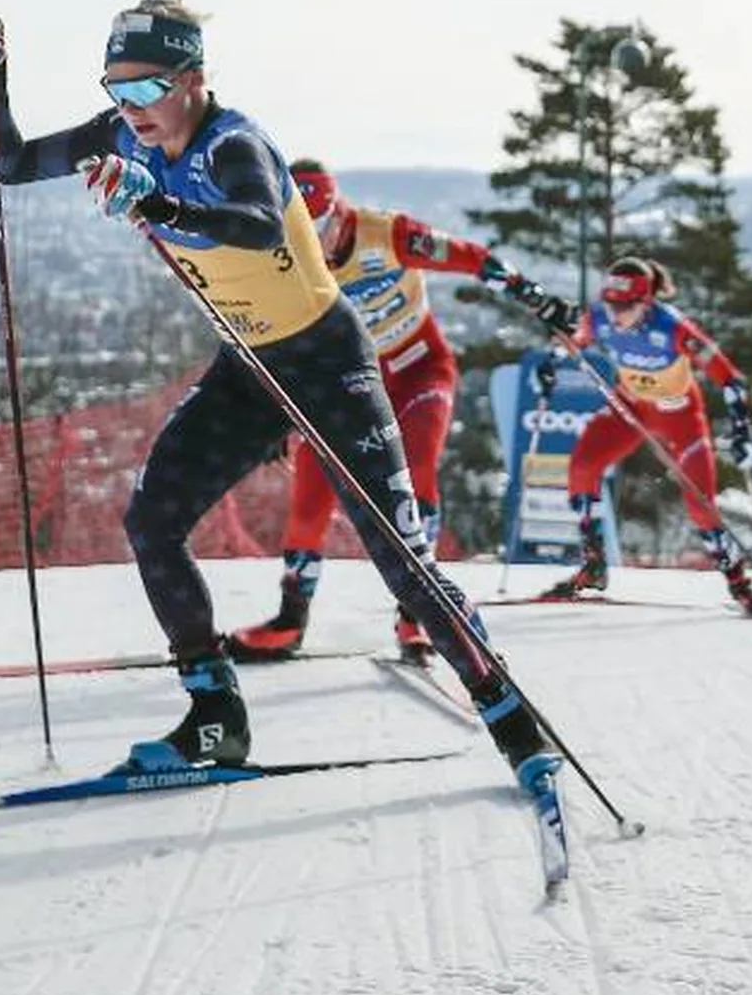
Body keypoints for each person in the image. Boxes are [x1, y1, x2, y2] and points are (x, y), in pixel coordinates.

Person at [0, 0, 558, 800]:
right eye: (115, 88)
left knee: (399, 560)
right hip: (250, 365)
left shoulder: (236, 142)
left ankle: (513, 721)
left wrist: (156, 199)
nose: (129, 105)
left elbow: (256, 222)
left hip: (326, 361)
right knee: (153, 520)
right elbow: (13, 160)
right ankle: (214, 713)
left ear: (193, 80)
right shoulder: (121, 137)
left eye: (145, 88)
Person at [225, 156, 570, 663]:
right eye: (304, 231)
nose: (316, 242)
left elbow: (471, 257)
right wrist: (279, 409)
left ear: (340, 212)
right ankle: (291, 618)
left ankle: (419, 611)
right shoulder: (288, 258)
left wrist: (534, 296)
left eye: (323, 227)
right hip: (345, 382)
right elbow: (278, 339)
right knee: (313, 487)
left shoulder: (386, 234)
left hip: (417, 369)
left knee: (418, 467)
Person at [539, 255, 752, 616]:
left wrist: (741, 432)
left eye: (625, 306)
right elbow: (574, 339)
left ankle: (739, 582)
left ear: (646, 301)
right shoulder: (600, 315)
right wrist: (552, 360)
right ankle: (593, 564)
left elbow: (731, 380)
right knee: (582, 465)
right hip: (631, 409)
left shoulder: (673, 328)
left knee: (700, 503)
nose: (616, 315)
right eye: (612, 304)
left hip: (681, 416)